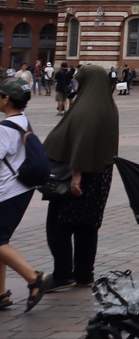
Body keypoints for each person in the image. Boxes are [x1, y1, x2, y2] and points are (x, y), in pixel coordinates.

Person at [42, 64, 120, 288]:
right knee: (87, 226)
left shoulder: (86, 108)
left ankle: (62, 274)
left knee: (58, 225)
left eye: (78, 79)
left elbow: (82, 144)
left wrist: (76, 176)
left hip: (81, 175)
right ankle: (84, 274)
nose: (75, 83)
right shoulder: (108, 106)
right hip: (101, 174)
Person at [0, 76, 53, 312]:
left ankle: (34, 278)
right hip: (21, 188)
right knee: (2, 241)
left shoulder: (4, 128)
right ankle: (1, 293)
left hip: (8, 191)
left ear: (6, 99)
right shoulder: (22, 120)